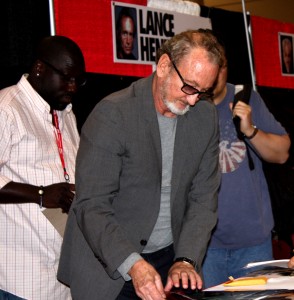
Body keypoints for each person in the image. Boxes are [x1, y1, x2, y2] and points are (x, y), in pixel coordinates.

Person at [58, 29, 224, 300]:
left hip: (168, 259)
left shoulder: (205, 118)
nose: (194, 100)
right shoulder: (113, 114)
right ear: (164, 66)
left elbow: (204, 198)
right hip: (111, 263)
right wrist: (133, 264)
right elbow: (92, 205)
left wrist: (185, 259)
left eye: (203, 92)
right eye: (190, 87)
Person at [0, 35, 86, 299]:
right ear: (40, 68)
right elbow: (44, 192)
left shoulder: (65, 112)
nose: (73, 87)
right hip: (22, 279)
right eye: (66, 77)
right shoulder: (7, 108)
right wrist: (40, 194)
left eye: (78, 80)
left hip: (63, 277)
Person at [202, 34, 291, 288]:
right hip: (206, 246)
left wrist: (250, 129)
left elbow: (283, 152)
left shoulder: (245, 97)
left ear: (224, 66)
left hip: (253, 243)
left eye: (216, 67)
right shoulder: (190, 103)